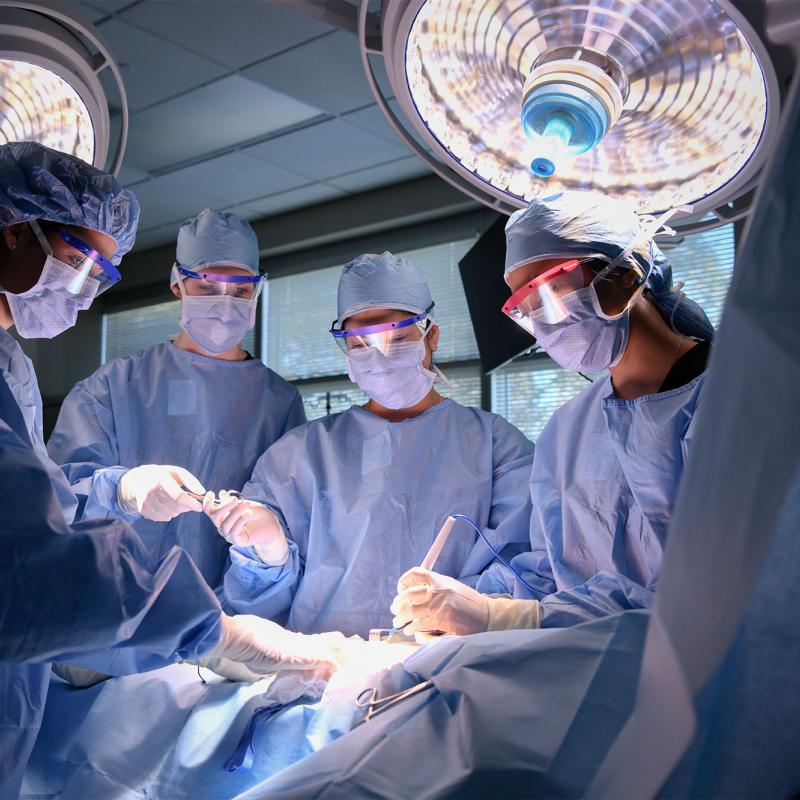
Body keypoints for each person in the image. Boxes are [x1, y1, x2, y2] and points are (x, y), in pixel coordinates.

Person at [0, 142, 331, 799]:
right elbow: (30, 558)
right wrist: (210, 629)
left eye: (99, 276)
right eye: (79, 264)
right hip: (105, 658)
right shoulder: (111, 385)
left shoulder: (10, 368)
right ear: (14, 229)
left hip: (163, 652)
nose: (84, 295)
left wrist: (260, 561)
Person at [391, 191, 716, 635]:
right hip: (583, 675)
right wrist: (473, 603)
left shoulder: (732, 396)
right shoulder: (568, 431)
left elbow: (721, 593)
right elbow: (548, 573)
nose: (541, 322)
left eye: (548, 292)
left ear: (624, 273)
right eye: (524, 309)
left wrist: (507, 618)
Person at [205, 251, 534, 637]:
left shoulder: (496, 447)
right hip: (324, 674)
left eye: (397, 337)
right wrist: (269, 553)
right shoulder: (299, 455)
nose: (378, 356)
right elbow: (256, 607)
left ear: (433, 335)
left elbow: (524, 570)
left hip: (449, 665)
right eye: (360, 343)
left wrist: (463, 609)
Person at [48, 209, 306, 589]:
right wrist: (125, 490)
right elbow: (57, 499)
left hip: (233, 625)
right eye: (207, 286)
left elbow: (288, 530)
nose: (224, 303)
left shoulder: (279, 403)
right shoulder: (111, 387)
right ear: (177, 284)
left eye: (240, 290)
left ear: (257, 290)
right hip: (119, 613)